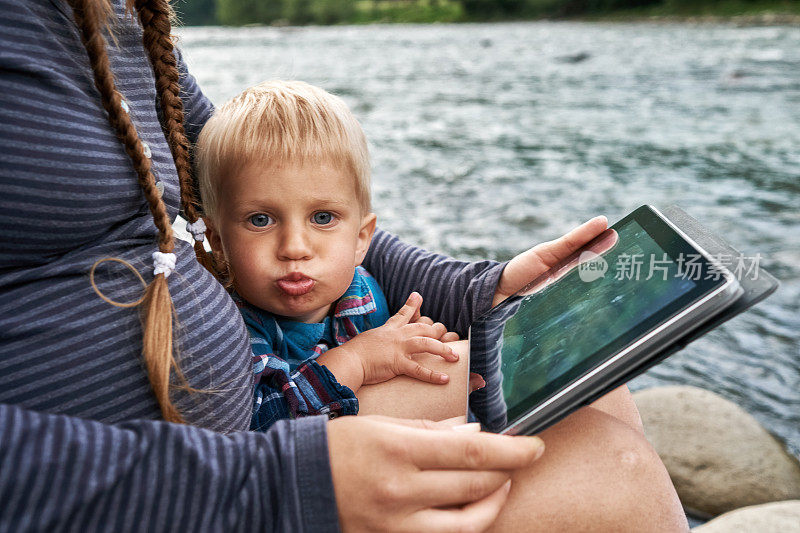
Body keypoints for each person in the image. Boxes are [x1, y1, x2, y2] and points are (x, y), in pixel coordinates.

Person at [0, 0, 688, 531]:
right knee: (615, 475)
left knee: (585, 377)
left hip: (245, 456)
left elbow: (275, 183)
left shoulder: (116, 18)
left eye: (324, 226)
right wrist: (279, 488)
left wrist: (483, 287)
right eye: (263, 226)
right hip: (170, 491)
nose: (295, 246)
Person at [195, 80, 478, 431]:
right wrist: (357, 360)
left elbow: (391, 356)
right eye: (260, 220)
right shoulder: (228, 325)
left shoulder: (365, 294)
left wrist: (416, 345)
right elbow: (261, 423)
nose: (295, 248)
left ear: (361, 239)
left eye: (322, 218)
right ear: (217, 241)